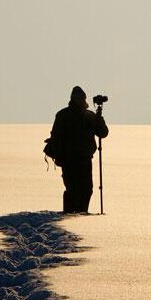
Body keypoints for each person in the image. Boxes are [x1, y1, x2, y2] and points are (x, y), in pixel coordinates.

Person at [50, 86, 109, 214]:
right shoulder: (65, 115)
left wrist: (99, 118)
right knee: (74, 189)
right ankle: (72, 215)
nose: (80, 100)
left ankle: (81, 215)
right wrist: (59, 156)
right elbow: (56, 137)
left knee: (85, 189)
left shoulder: (87, 115)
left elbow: (103, 133)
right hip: (70, 159)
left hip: (83, 159)